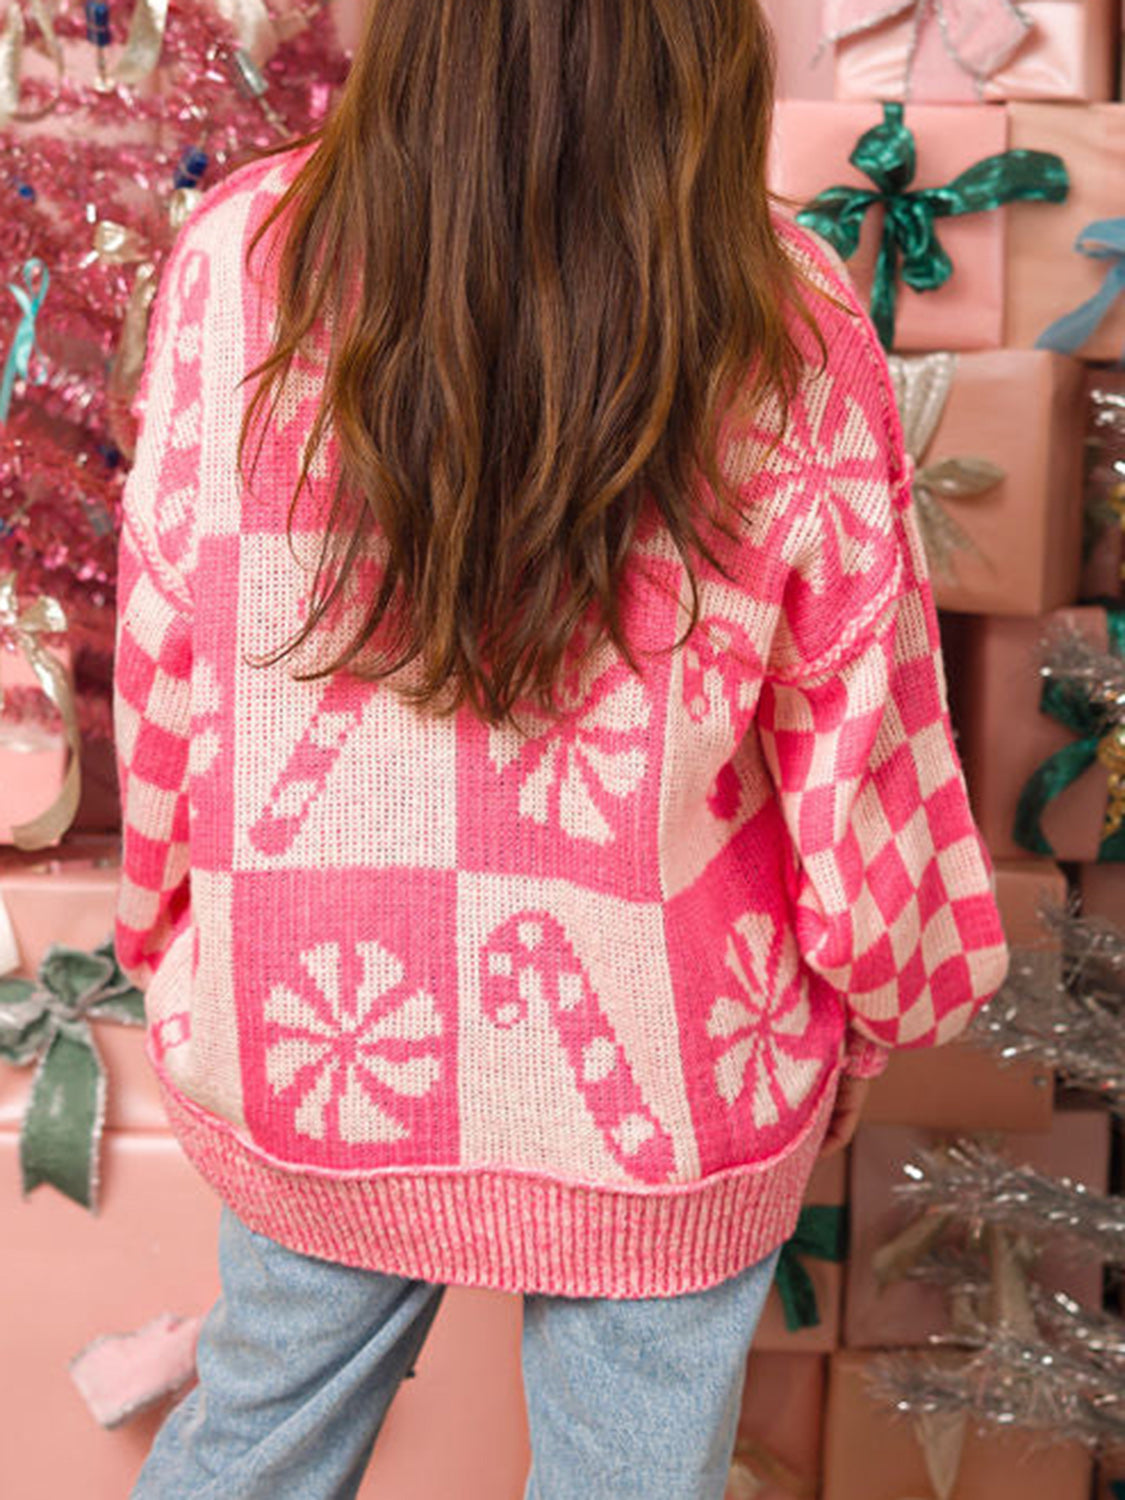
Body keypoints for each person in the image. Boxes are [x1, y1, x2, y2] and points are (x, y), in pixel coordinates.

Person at [113, 2, 1009, 1497]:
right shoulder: (786, 308)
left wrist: (163, 922)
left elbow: (167, 634)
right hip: (673, 1056)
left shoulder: (241, 255)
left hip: (312, 1026)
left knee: (252, 1450)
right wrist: (872, 1004)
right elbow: (861, 719)